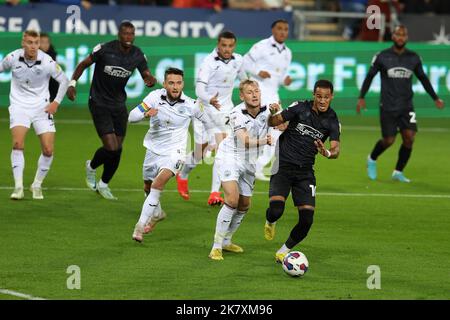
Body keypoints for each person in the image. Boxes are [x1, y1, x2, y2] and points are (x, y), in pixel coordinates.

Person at [66, 21, 156, 200]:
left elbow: (145, 73)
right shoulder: (105, 49)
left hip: (118, 105)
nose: (128, 37)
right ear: (119, 34)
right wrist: (72, 84)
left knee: (118, 148)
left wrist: (149, 79)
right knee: (112, 147)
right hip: (99, 102)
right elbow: (83, 64)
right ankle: (91, 167)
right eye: (125, 33)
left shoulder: (137, 54)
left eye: (131, 33)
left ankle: (104, 184)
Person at [129, 68, 213, 243]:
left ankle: (139, 227)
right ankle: (158, 213)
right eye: (171, 83)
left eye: (179, 83)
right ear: (165, 84)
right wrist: (145, 114)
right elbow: (131, 116)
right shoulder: (154, 97)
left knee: (157, 184)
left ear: (183, 83)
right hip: (153, 150)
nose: (175, 87)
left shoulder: (191, 104)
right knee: (147, 186)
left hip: (175, 153)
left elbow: (209, 122)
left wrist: (213, 140)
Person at [264, 79, 341, 263]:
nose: (322, 101)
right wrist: (274, 113)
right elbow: (274, 122)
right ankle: (270, 221)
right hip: (283, 166)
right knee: (276, 210)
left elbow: (336, 150)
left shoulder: (332, 120)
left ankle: (283, 251)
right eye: (319, 96)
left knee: (307, 220)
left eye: (326, 97)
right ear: (314, 95)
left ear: (331, 97)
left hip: (305, 172)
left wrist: (327, 152)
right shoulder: (299, 108)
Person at [357, 25, 444, 182]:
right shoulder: (382, 56)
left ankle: (398, 172)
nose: (400, 37)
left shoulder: (414, 58)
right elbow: (370, 76)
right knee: (389, 140)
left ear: (407, 37)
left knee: (409, 137)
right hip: (388, 105)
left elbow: (423, 79)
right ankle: (372, 158)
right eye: (398, 34)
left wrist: (435, 98)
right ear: (393, 36)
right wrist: (361, 96)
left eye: (403, 35)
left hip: (406, 106)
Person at [175, 30, 246, 206]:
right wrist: (210, 99)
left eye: (230, 46)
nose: (227, 49)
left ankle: (215, 193)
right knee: (201, 151)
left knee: (223, 149)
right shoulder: (208, 62)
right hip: (205, 110)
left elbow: (244, 80)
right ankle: (183, 174)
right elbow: (199, 90)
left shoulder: (238, 60)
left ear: (234, 46)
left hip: (225, 110)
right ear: (218, 44)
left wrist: (249, 91)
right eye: (224, 45)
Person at [208, 80, 275, 261]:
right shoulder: (236, 113)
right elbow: (245, 140)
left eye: (256, 91)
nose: (254, 94)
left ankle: (227, 241)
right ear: (242, 95)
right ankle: (216, 246)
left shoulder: (268, 110)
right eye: (249, 92)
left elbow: (281, 124)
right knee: (232, 199)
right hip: (230, 157)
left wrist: (278, 115)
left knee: (245, 204)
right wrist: (265, 141)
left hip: (249, 162)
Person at [0, 30, 69, 200]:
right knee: (17, 143)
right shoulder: (13, 58)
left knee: (48, 149)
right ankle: (18, 187)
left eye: (36, 42)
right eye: (30, 42)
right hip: (19, 106)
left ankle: (36, 185)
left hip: (41, 108)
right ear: (23, 42)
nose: (33, 46)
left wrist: (56, 102)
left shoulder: (47, 61)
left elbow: (64, 80)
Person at [242, 19, 292, 181]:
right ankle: (248, 165)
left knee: (277, 131)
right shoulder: (261, 46)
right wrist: (257, 71)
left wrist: (285, 80)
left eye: (285, 29)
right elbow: (245, 62)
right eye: (280, 28)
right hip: (259, 93)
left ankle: (257, 167)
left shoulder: (287, 52)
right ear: (273, 30)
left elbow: (279, 77)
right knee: (261, 130)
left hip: (273, 95)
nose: (283, 32)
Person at [39, 33, 59, 102]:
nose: (45, 45)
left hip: (50, 85)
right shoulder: (31, 53)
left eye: (47, 42)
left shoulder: (52, 54)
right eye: (42, 42)